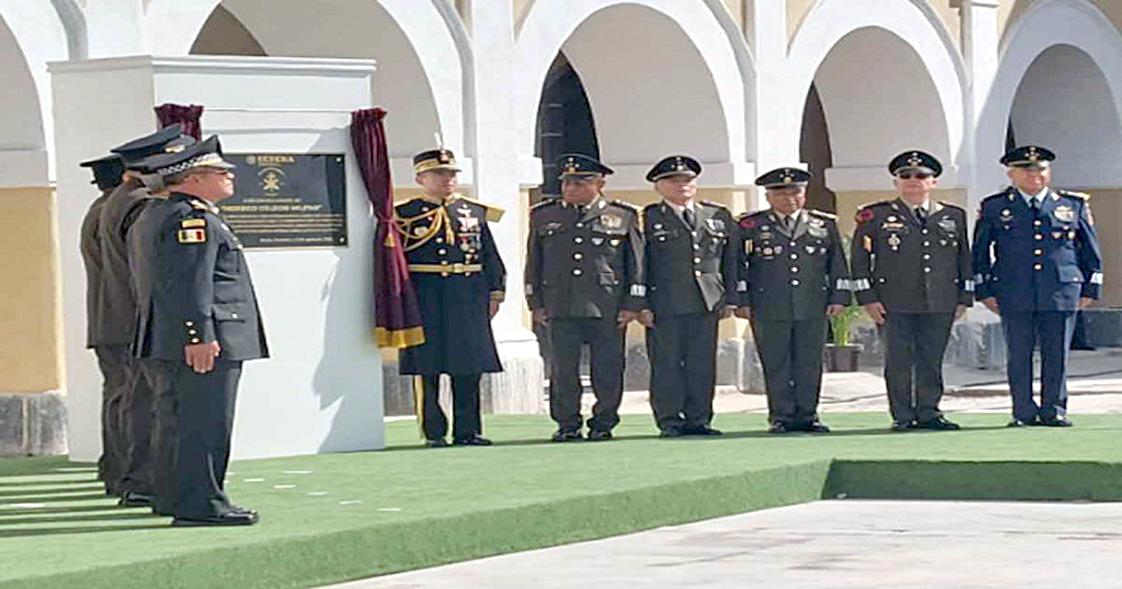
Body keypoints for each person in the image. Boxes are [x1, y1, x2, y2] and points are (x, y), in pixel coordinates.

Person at [132, 135, 268, 526]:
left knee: (178, 420)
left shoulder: (163, 212)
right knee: (206, 423)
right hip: (207, 338)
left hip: (182, 336)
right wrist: (198, 335)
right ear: (193, 178)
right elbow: (191, 283)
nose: (230, 176)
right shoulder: (191, 218)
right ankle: (203, 503)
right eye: (220, 172)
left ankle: (175, 496)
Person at [97, 124, 194, 507]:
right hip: (136, 318)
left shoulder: (123, 198)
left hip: (124, 317)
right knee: (145, 403)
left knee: (133, 399)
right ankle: (141, 480)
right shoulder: (141, 203)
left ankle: (131, 477)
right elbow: (148, 269)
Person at [973, 145, 1103, 427]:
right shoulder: (995, 206)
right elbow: (980, 253)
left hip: (1060, 290)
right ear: (1011, 174)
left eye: (1040, 169)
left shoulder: (1072, 204)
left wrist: (1091, 288)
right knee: (1018, 355)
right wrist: (984, 291)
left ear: (1049, 172)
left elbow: (1090, 250)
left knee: (1056, 354)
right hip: (1013, 290)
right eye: (1026, 170)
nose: (1034, 175)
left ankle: (1054, 408)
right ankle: (1022, 410)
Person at [525, 154, 643, 442]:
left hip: (607, 306)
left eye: (580, 182)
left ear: (599, 183)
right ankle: (567, 423)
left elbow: (635, 264)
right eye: (567, 182)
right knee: (563, 370)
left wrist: (632, 304)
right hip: (560, 305)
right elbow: (534, 262)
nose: (571, 188)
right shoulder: (544, 215)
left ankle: (603, 422)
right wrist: (535, 303)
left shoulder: (623, 215)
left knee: (608, 369)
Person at [850, 151, 971, 432]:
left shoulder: (953, 216)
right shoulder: (875, 215)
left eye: (921, 176)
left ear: (934, 182)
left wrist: (964, 298)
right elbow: (859, 260)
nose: (913, 181)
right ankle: (902, 415)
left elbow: (964, 259)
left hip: (939, 300)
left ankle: (929, 412)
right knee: (899, 361)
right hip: (893, 302)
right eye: (906, 176)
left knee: (931, 360)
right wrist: (868, 298)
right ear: (896, 183)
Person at [395, 148, 505, 448]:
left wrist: (496, 292)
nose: (448, 179)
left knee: (468, 366)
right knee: (426, 367)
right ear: (421, 178)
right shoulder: (403, 214)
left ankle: (468, 430)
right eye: (439, 174)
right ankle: (433, 432)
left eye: (451, 174)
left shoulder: (473, 211)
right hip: (425, 296)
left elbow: (490, 256)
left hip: (467, 296)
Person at [735, 168, 849, 434]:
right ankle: (781, 416)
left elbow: (837, 265)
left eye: (795, 191)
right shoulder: (750, 226)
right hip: (768, 305)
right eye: (781, 192)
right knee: (776, 362)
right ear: (768, 195)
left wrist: (839, 297)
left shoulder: (823, 224)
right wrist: (741, 300)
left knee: (809, 363)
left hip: (812, 304)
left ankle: (808, 415)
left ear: (804, 193)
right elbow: (739, 266)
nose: (789, 198)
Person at [640, 155, 737, 438]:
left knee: (702, 364)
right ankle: (669, 419)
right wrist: (641, 304)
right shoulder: (648, 218)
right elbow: (638, 264)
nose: (682, 185)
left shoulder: (717, 216)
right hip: (664, 303)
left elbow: (729, 260)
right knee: (666, 364)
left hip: (706, 301)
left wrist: (730, 297)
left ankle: (699, 419)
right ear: (658, 187)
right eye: (673, 181)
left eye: (687, 180)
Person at [78, 153, 126, 495]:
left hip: (107, 320)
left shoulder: (100, 208)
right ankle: (122, 471)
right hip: (121, 320)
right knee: (127, 399)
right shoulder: (114, 211)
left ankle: (115, 467)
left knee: (119, 396)